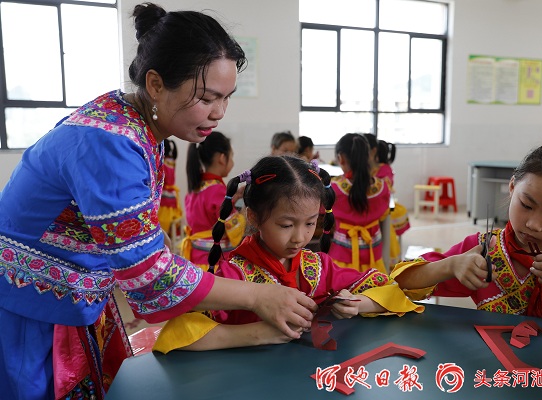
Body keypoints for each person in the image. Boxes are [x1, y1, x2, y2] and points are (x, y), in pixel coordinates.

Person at [0, 4, 316, 399]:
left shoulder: (138, 126)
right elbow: (150, 276)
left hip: (71, 297)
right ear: (155, 84)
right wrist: (258, 295)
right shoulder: (110, 144)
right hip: (31, 307)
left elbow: (135, 241)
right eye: (206, 98)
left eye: (226, 98)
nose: (219, 113)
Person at [153, 155, 423, 352]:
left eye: (309, 223)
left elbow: (388, 289)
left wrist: (355, 304)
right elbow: (177, 334)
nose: (300, 237)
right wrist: (257, 334)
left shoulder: (317, 268)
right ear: (254, 217)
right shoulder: (232, 275)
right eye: (286, 225)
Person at [393, 141, 542, 324]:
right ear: (512, 186)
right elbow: (401, 281)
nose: (534, 225)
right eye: (527, 205)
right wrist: (451, 265)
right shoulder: (484, 248)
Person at [182, 131, 246, 271]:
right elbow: (235, 229)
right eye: (232, 156)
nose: (233, 162)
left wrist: (233, 199)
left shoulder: (196, 188)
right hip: (215, 264)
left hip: (197, 262)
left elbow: (210, 216)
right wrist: (246, 214)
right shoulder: (218, 191)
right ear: (222, 158)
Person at [328, 134, 391, 273]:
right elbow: (383, 217)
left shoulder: (335, 188)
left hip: (341, 260)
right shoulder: (382, 187)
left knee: (342, 294)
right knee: (373, 293)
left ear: (341, 158)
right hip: (373, 260)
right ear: (369, 156)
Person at [158, 139, 183, 236]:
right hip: (172, 195)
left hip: (165, 196)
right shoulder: (171, 160)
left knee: (162, 221)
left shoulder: (162, 161)